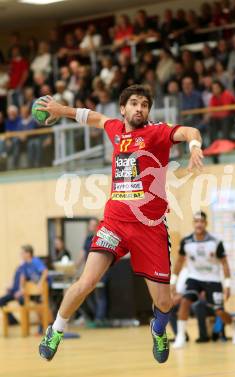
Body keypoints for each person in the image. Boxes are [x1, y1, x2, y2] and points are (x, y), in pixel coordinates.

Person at [36, 84, 204, 364]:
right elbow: (93, 117)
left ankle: (159, 328)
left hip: (149, 226)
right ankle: (56, 330)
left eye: (144, 104)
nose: (140, 108)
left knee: (164, 302)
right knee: (86, 282)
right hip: (114, 223)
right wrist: (60, 110)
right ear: (123, 109)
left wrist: (195, 146)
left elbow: (189, 131)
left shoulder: (157, 132)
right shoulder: (115, 129)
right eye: (134, 104)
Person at [170, 211, 235, 349]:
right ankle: (180, 336)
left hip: (213, 280)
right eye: (196, 221)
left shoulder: (215, 241)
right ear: (193, 223)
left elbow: (224, 263)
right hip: (195, 278)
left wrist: (228, 285)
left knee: (219, 311)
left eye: (201, 222)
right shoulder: (186, 241)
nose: (199, 224)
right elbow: (179, 262)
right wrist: (173, 282)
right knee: (185, 301)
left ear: (206, 223)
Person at [0, 245, 48, 323]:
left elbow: (45, 272)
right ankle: (16, 322)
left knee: (42, 305)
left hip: (42, 287)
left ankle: (47, 323)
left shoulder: (35, 261)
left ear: (28, 253)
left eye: (22, 253)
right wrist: (20, 289)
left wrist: (40, 283)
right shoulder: (25, 265)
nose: (20, 255)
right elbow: (23, 278)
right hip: (32, 290)